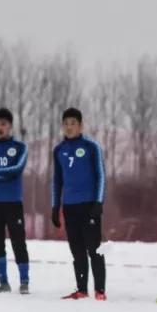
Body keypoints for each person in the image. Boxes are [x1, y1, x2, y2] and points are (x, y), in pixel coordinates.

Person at [51, 107, 107, 300]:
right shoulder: (59, 150)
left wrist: (98, 202)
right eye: (66, 123)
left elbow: (101, 175)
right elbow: (57, 181)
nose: (69, 127)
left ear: (81, 125)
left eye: (73, 123)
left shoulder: (92, 147)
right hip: (70, 206)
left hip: (90, 205)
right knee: (77, 249)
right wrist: (55, 206)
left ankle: (100, 290)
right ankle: (81, 289)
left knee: (94, 248)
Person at [0, 107, 30, 294]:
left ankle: (24, 281)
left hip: (13, 202)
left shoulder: (20, 148)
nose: (0, 127)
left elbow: (17, 169)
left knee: (18, 240)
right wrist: (4, 175)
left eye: (3, 124)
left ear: (10, 126)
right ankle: (3, 282)